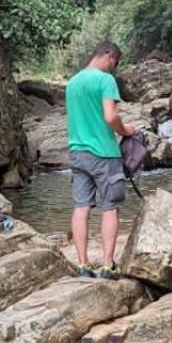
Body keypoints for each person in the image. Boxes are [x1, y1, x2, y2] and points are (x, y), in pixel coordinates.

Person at [67, 40, 136, 279]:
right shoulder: (106, 80)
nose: (113, 68)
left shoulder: (73, 82)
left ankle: (83, 264)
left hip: (77, 153)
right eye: (114, 63)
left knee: (81, 208)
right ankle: (107, 265)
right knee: (110, 209)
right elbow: (109, 116)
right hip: (104, 154)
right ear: (109, 56)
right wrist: (125, 130)